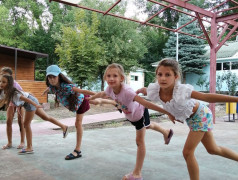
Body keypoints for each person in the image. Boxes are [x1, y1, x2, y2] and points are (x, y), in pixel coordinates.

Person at [136, 58, 238, 180]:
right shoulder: (155, 90)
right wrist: (143, 90)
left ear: (176, 76)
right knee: (212, 149)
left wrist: (236, 99)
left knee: (187, 153)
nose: (163, 78)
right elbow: (149, 93)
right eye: (160, 74)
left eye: (168, 75)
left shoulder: (182, 91)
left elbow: (206, 97)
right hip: (192, 119)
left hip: (200, 115)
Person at [88, 63, 175, 180]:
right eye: (108, 76)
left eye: (115, 76)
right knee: (147, 126)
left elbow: (145, 103)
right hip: (132, 116)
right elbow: (102, 94)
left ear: (121, 78)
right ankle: (166, 132)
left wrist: (167, 112)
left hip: (140, 113)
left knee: (139, 141)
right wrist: (91, 98)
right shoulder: (109, 89)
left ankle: (137, 173)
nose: (111, 78)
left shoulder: (127, 91)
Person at [43, 65, 114, 160]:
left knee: (78, 123)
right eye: (50, 77)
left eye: (54, 77)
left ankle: (77, 150)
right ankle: (115, 103)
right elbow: (49, 88)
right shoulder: (52, 87)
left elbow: (82, 90)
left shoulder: (67, 86)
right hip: (79, 100)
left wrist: (101, 94)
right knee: (96, 102)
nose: (52, 80)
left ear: (59, 76)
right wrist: (45, 91)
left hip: (80, 102)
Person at [0, 74, 68, 154]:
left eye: (4, 82)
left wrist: (35, 105)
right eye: (0, 81)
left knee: (26, 124)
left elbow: (26, 99)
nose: (1, 83)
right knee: (46, 117)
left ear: (9, 84)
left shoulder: (14, 93)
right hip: (30, 102)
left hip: (30, 102)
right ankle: (64, 127)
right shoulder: (3, 91)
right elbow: (1, 102)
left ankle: (29, 147)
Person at [0, 67, 25, 150]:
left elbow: (21, 96)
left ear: (10, 76)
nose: (3, 76)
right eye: (2, 74)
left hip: (20, 102)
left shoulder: (15, 84)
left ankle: (22, 142)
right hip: (11, 103)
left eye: (5, 74)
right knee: (8, 121)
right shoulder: (3, 83)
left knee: (20, 122)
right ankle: (9, 143)